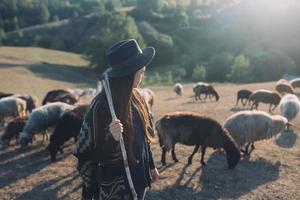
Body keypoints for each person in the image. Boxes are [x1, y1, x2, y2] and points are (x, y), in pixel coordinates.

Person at [74, 39, 159, 200]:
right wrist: (111, 139)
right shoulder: (101, 106)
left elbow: (144, 140)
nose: (143, 75)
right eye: (141, 71)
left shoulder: (138, 98)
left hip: (139, 177)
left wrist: (151, 166)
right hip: (114, 185)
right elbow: (85, 154)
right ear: (128, 73)